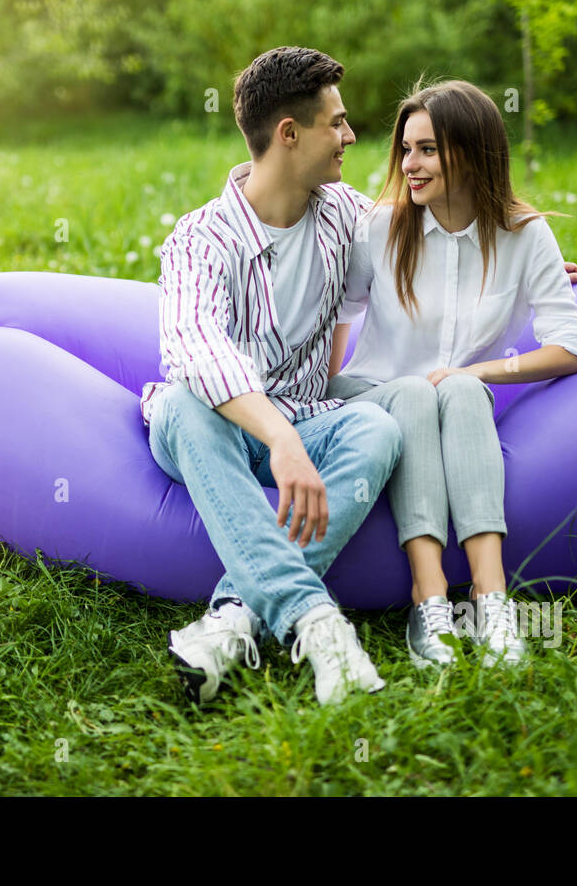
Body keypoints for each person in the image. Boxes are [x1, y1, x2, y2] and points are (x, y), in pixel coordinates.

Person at [142, 46, 406, 707]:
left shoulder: (343, 215)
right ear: (289, 134)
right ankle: (323, 635)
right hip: (218, 433)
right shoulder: (200, 239)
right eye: (336, 124)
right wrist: (279, 440)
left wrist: (527, 258)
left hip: (308, 420)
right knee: (182, 404)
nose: (349, 137)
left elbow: (432, 235)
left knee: (375, 428)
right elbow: (196, 349)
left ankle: (231, 621)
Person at [325, 77, 577, 670]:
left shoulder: (524, 236)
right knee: (422, 395)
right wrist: (318, 389)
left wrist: (474, 370)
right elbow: (338, 316)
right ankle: (430, 599)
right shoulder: (380, 228)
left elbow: (570, 347)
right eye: (405, 149)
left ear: (472, 151)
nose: (408, 165)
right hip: (371, 395)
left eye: (427, 150)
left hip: (457, 401)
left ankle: (491, 602)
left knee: (462, 389)